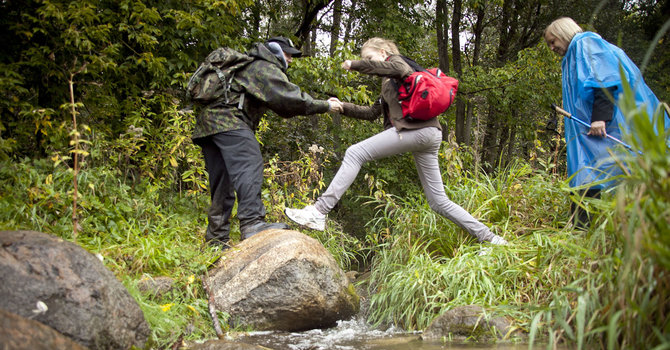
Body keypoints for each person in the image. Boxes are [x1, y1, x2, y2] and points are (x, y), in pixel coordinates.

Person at [284, 37, 507, 246]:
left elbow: (397, 68)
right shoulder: (392, 84)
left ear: (383, 53)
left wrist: (355, 64)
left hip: (417, 132)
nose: (368, 64)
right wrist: (342, 106)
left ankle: (318, 211)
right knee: (438, 202)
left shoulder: (398, 65)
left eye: (370, 59)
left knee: (355, 153)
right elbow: (371, 113)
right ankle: (491, 239)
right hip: (428, 134)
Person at [191, 37, 343, 249]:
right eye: (288, 54)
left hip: (209, 126)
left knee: (223, 183)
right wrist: (325, 105)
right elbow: (288, 99)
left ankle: (216, 239)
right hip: (229, 120)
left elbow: (281, 105)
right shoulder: (262, 66)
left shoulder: (249, 67)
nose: (290, 59)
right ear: (275, 51)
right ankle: (252, 222)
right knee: (249, 163)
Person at [544, 17, 669, 228]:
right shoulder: (573, 55)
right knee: (587, 172)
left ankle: (584, 226)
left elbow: (603, 78)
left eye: (553, 41)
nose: (552, 47)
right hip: (590, 129)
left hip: (606, 124)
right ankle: (582, 226)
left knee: (598, 170)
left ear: (564, 33)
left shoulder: (586, 43)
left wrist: (600, 117)